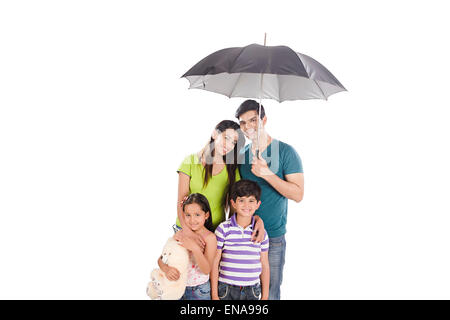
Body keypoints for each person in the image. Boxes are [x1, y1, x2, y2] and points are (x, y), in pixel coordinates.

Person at [235, 99, 304, 300]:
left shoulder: (286, 152)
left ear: (264, 120)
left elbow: (298, 194)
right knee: (244, 293)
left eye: (253, 120)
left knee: (270, 292)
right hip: (243, 235)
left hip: (273, 237)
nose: (248, 127)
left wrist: (267, 173)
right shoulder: (242, 155)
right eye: (243, 122)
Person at [175, 120, 265, 247]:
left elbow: (236, 205)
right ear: (214, 134)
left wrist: (256, 219)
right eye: (226, 138)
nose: (228, 145)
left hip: (214, 233)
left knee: (208, 268)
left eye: (233, 142)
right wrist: (188, 232)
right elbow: (181, 202)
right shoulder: (190, 162)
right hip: (185, 229)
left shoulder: (231, 170)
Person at [211, 180, 270, 300]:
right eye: (241, 200)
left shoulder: (261, 233)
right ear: (233, 203)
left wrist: (265, 297)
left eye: (251, 201)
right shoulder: (223, 229)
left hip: (252, 290)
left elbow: (264, 264)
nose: (246, 205)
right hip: (226, 289)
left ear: (258, 204)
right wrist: (214, 295)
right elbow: (215, 261)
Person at [158, 193, 217, 300]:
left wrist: (194, 248)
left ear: (206, 215)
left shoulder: (210, 238)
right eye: (188, 215)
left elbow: (206, 269)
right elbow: (162, 259)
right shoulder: (180, 234)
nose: (192, 220)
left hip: (198, 290)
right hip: (177, 287)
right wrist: (166, 269)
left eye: (197, 215)